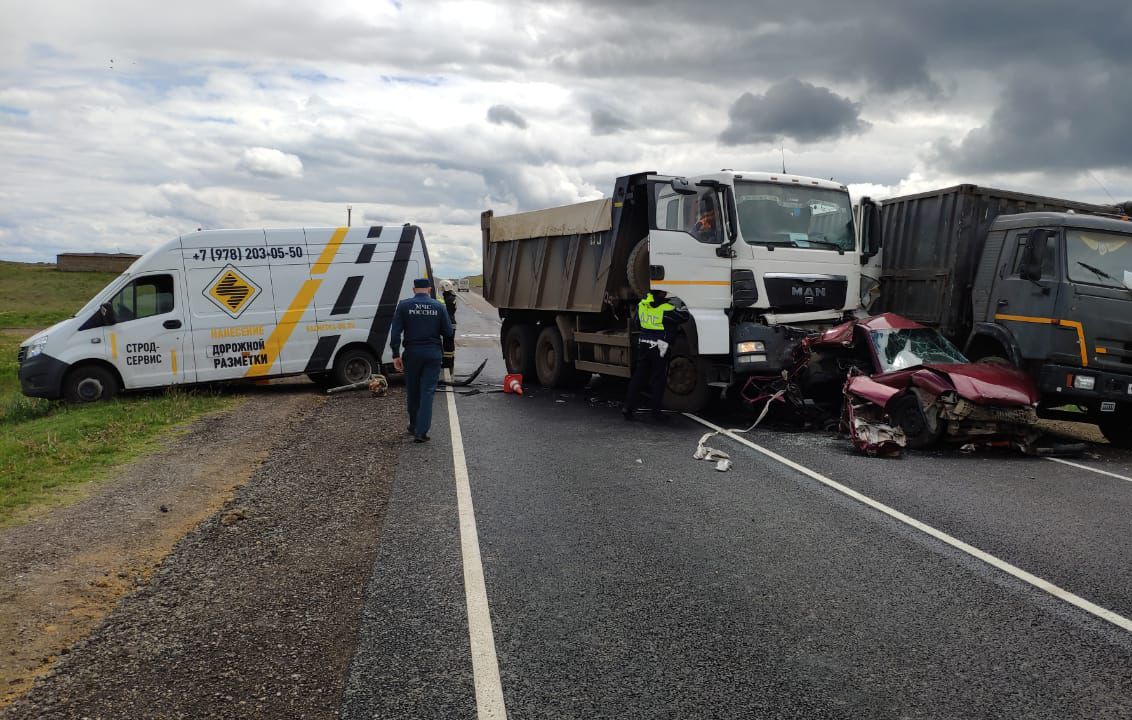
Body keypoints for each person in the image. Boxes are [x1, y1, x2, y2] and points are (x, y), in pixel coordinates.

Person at [390, 278, 455, 443]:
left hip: (411, 353)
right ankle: (421, 431)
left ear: (413, 290)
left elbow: (396, 332)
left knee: (413, 390)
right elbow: (448, 331)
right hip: (432, 354)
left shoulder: (404, 306)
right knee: (427, 392)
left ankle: (413, 425)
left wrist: (395, 354)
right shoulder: (438, 306)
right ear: (429, 289)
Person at [623, 288, 689, 421]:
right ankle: (655, 412)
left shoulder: (642, 305)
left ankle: (627, 408)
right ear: (661, 293)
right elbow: (684, 317)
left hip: (643, 344)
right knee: (658, 379)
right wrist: (684, 305)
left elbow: (637, 323)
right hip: (659, 347)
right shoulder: (666, 308)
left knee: (639, 377)